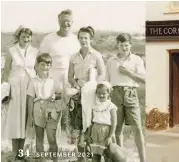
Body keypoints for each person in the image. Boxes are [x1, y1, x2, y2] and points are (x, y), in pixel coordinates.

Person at [106, 33, 146, 162]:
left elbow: (144, 79)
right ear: (117, 45)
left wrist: (129, 73)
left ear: (130, 45)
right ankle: (121, 159)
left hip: (130, 94)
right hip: (115, 94)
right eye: (121, 45)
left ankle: (143, 159)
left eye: (126, 45)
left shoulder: (136, 60)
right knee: (117, 129)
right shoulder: (111, 61)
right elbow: (106, 81)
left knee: (138, 128)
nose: (124, 47)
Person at [67, 26, 106, 161]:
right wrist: (76, 83)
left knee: (90, 126)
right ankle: (81, 157)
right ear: (78, 39)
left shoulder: (96, 55)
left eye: (86, 38)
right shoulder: (73, 57)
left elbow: (102, 74)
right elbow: (70, 77)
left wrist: (92, 85)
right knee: (77, 126)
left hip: (91, 95)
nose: (83, 40)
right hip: (77, 95)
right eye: (81, 37)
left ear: (91, 39)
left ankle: (92, 156)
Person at [39, 9, 81, 133]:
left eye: (68, 21)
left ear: (72, 22)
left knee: (68, 110)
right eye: (63, 21)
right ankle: (53, 141)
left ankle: (67, 141)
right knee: (52, 110)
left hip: (70, 77)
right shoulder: (48, 39)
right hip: (52, 77)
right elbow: (40, 59)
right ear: (58, 20)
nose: (65, 24)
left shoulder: (76, 40)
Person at [1, 26, 38, 161]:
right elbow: (5, 71)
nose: (26, 39)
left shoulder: (34, 51)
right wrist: (5, 90)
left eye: (28, 37)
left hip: (29, 87)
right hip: (15, 88)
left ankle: (22, 153)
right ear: (18, 37)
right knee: (15, 119)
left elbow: (36, 69)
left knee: (26, 119)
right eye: (23, 37)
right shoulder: (11, 51)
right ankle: (14, 151)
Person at [27, 53, 63, 162]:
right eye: (42, 64)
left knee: (52, 138)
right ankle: (41, 160)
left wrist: (54, 96)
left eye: (47, 65)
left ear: (50, 66)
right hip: (37, 110)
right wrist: (30, 117)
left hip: (51, 111)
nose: (44, 67)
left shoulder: (54, 80)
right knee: (39, 137)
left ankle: (54, 159)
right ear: (37, 65)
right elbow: (30, 99)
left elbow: (60, 95)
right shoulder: (33, 81)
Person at [89, 82, 117, 162]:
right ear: (96, 93)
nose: (101, 95)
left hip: (106, 132)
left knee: (107, 155)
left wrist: (110, 136)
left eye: (104, 93)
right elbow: (92, 121)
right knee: (95, 155)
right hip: (95, 131)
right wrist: (89, 134)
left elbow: (114, 123)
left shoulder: (111, 106)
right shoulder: (94, 105)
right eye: (99, 93)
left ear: (108, 93)